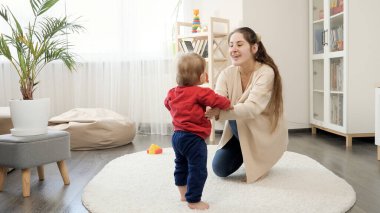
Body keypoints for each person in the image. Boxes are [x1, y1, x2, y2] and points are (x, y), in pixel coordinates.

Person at [205, 27, 288, 183]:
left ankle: (260, 159)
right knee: (220, 169)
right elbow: (217, 98)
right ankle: (247, 152)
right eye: (230, 45)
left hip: (263, 129)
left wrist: (218, 113)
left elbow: (252, 108)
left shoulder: (266, 72)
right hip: (241, 127)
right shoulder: (226, 74)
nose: (233, 49)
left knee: (236, 118)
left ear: (254, 48)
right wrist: (209, 106)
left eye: (239, 44)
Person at [164, 52, 232, 210]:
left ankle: (183, 194)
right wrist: (228, 104)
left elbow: (167, 104)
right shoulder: (202, 92)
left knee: (180, 164)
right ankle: (194, 200)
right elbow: (219, 101)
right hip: (194, 139)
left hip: (177, 136)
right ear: (202, 76)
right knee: (198, 169)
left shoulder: (173, 92)